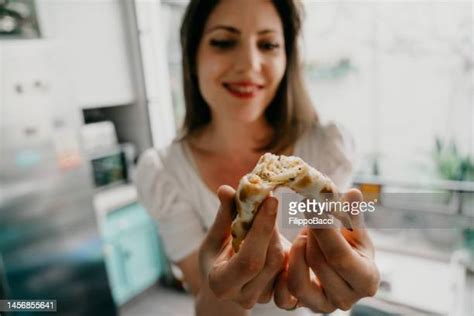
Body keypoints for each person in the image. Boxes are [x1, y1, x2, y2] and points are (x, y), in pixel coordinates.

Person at [137, 0, 380, 315]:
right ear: (192, 55)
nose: (250, 64)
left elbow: (337, 236)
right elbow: (205, 301)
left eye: (268, 44)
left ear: (287, 58)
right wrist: (218, 288)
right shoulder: (164, 174)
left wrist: (349, 264)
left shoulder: (327, 148)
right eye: (224, 42)